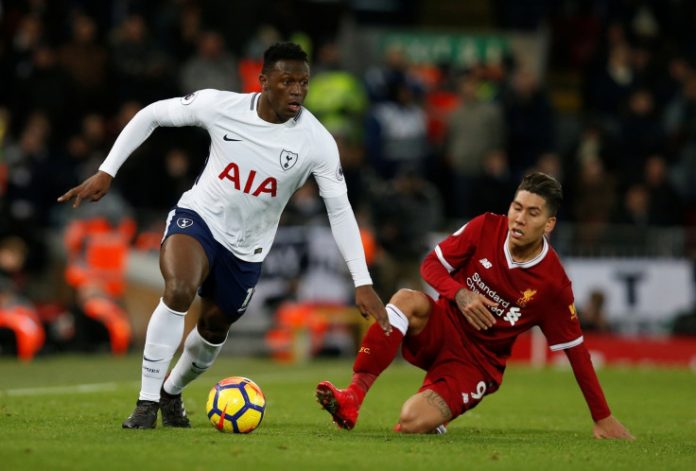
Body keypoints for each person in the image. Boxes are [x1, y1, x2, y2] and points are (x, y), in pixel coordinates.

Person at [57, 42, 389, 429]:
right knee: (179, 289)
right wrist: (107, 170)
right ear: (264, 82)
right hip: (199, 218)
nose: (297, 90)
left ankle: (172, 391)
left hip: (248, 248)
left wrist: (362, 281)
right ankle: (146, 402)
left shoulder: (317, 142)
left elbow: (340, 209)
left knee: (215, 327)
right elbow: (151, 115)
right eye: (287, 81)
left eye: (304, 82)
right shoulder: (220, 106)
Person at [316, 172, 634, 440]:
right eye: (517, 207)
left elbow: (576, 351)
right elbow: (432, 265)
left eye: (532, 213)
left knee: (411, 420)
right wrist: (460, 294)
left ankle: (438, 410)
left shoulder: (552, 284)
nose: (519, 219)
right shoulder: (486, 227)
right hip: (441, 325)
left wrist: (602, 417)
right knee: (406, 299)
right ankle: (353, 397)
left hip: (475, 365)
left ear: (548, 224)